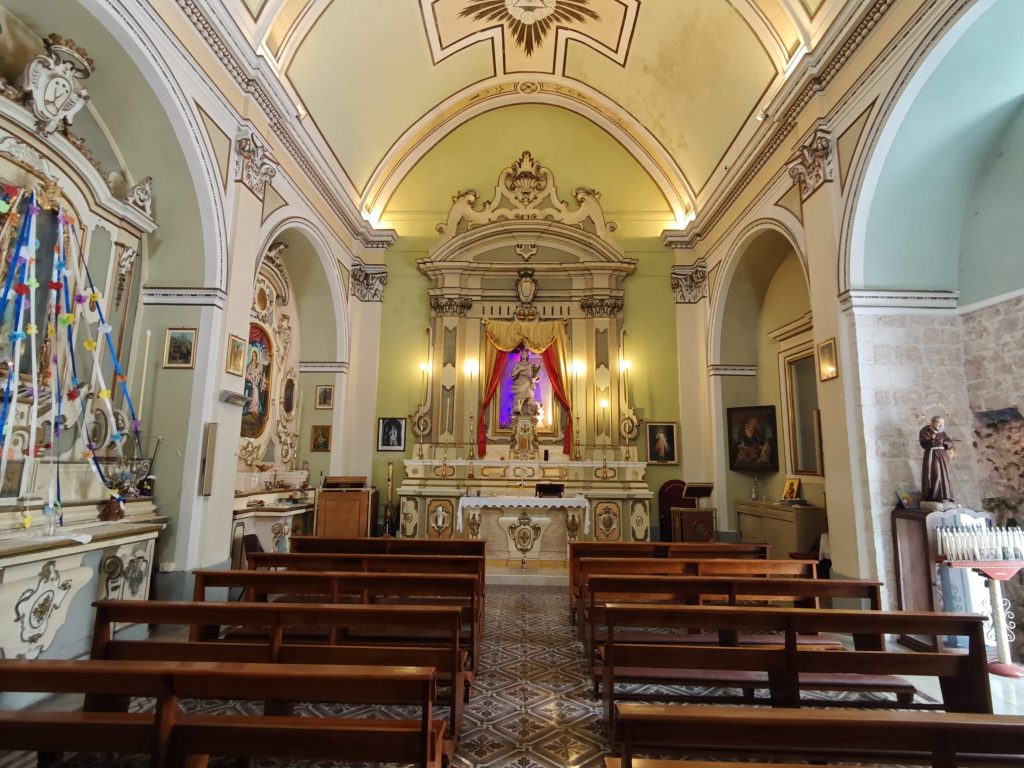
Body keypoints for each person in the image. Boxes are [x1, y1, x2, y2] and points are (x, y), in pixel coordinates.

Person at [920, 416, 955, 502]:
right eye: (939, 423)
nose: (941, 425)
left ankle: (946, 496)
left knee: (945, 475)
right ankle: (934, 496)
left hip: (942, 455)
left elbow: (948, 443)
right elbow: (924, 444)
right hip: (933, 455)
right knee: (936, 474)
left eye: (942, 423)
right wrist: (932, 439)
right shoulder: (925, 431)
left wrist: (948, 443)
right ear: (932, 423)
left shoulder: (943, 433)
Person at [509, 347, 540, 416]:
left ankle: (528, 411)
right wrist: (519, 369)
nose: (524, 355)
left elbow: (533, 375)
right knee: (518, 398)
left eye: (525, 354)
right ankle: (518, 409)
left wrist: (534, 377)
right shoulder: (518, 364)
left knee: (530, 396)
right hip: (519, 383)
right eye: (522, 354)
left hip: (527, 382)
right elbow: (512, 374)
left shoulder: (529, 364)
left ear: (527, 356)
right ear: (521, 355)